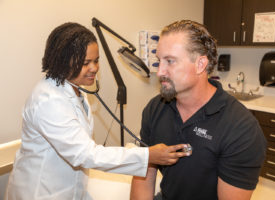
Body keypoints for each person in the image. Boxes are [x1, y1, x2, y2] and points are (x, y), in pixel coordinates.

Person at [5, 22, 190, 200]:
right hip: (40, 193)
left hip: (70, 190)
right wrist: (148, 155)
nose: (94, 68)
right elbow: (85, 154)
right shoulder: (48, 100)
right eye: (86, 63)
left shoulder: (75, 88)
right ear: (63, 61)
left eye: (96, 60)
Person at [130, 20, 266, 200]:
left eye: (170, 61)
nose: (160, 71)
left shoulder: (241, 128)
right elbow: (144, 176)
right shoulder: (155, 108)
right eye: (159, 61)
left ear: (200, 64)